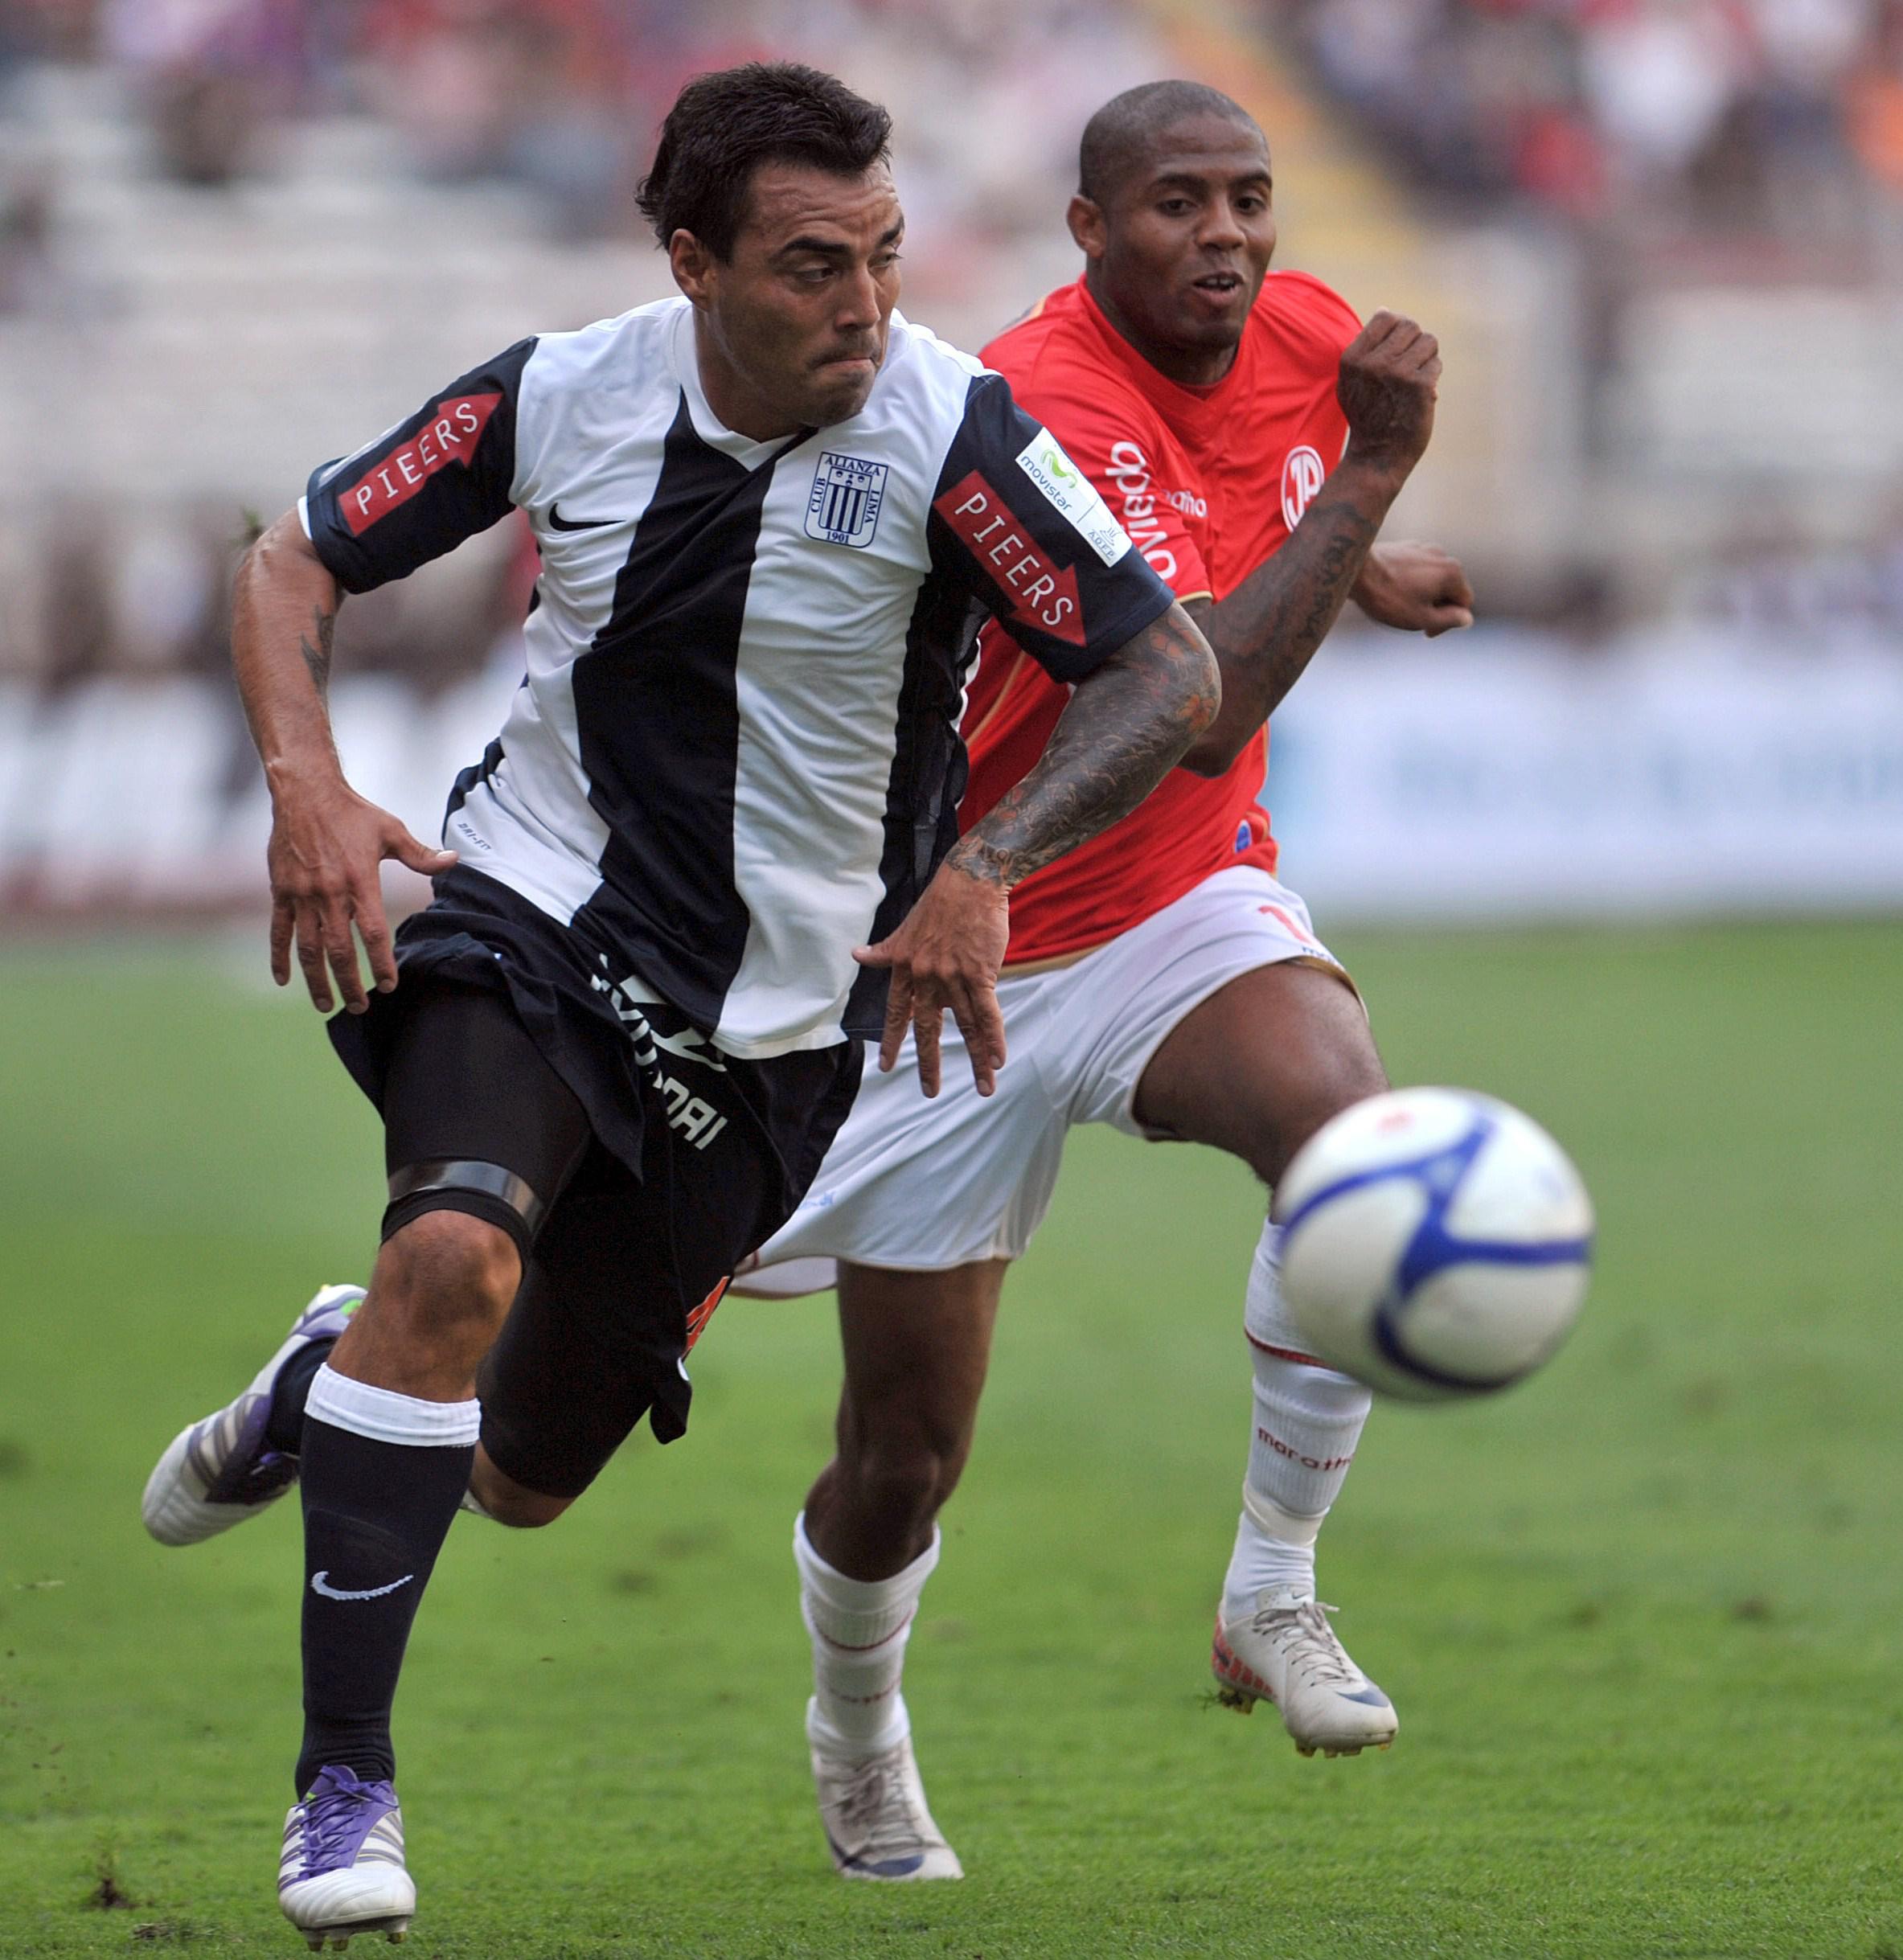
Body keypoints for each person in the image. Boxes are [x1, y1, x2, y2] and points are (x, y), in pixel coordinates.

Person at [139, 64, 1219, 1948]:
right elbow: (292, 554)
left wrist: (978, 870)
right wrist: (305, 784)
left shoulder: (956, 432)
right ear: (693, 261)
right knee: (459, 1260)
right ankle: (340, 1787)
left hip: (785, 1027)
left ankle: (337, 1370)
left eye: (881, 259)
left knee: (517, 1474)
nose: (862, 306)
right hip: (537, 912)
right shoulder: (563, 390)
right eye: (812, 267)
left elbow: (1162, 668)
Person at [720, 78, 1474, 1879]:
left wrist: (1357, 552)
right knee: (893, 1457)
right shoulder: (1037, 396)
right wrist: (1369, 485)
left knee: (1347, 1141)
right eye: (1173, 207)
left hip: (1174, 906)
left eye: (1248, 197)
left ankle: (1271, 1594)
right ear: (1085, 228)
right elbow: (1191, 668)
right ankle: (855, 1726)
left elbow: (1247, 509)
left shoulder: (1292, 332)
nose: (1222, 236)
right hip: (954, 946)